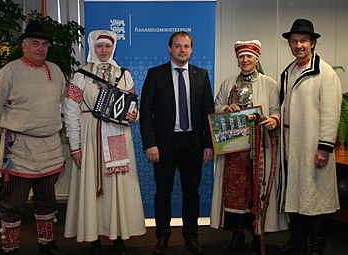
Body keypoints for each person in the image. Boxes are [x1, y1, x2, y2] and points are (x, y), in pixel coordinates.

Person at [0, 22, 66, 255]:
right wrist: (10, 132)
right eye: (35, 44)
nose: (41, 48)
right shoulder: (8, 72)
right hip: (19, 147)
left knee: (47, 198)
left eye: (44, 44)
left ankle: (46, 241)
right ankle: (10, 246)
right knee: (13, 201)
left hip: (50, 146)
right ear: (24, 46)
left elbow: (61, 101)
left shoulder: (56, 70)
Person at [63, 30, 146, 255]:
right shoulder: (80, 75)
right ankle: (94, 235)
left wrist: (133, 115)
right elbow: (70, 111)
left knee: (118, 184)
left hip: (117, 135)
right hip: (90, 136)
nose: (103, 51)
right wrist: (75, 146)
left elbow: (133, 107)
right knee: (92, 185)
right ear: (93, 47)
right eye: (99, 46)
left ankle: (118, 235)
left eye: (107, 47)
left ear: (113, 48)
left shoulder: (124, 75)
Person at [209, 40, 288, 255]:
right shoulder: (228, 84)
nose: (245, 60)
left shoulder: (269, 84)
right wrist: (227, 107)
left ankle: (257, 234)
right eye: (241, 56)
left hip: (259, 147)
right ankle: (237, 234)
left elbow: (277, 110)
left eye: (249, 57)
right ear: (237, 60)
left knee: (256, 189)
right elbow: (216, 107)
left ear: (257, 58)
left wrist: (273, 120)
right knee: (234, 192)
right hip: (233, 149)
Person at [140, 31, 215, 255]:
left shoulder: (201, 75)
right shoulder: (155, 74)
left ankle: (191, 237)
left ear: (192, 49)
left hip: (193, 143)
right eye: (178, 46)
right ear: (169, 48)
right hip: (164, 144)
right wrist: (150, 144)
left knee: (191, 192)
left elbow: (207, 112)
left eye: (186, 46)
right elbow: (146, 112)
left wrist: (209, 143)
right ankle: (162, 236)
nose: (182, 50)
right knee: (163, 192)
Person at [277, 19, 342, 255]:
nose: (298, 45)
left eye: (303, 40)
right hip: (292, 146)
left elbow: (330, 112)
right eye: (294, 41)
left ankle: (317, 247)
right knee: (296, 195)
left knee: (316, 198)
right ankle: (297, 242)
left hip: (313, 147)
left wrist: (324, 147)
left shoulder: (324, 73)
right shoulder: (289, 71)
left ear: (312, 43)